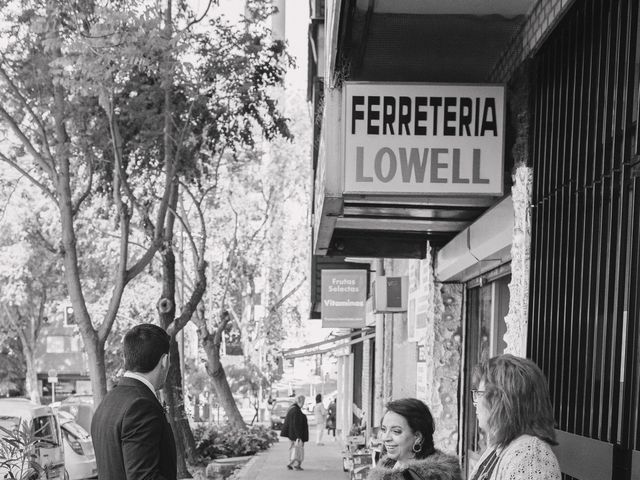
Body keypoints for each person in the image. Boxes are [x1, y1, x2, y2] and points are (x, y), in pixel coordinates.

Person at [91, 323, 176, 480]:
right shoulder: (142, 406)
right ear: (164, 361)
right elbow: (143, 477)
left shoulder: (109, 400)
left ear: (126, 358)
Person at [469, 354, 561, 480]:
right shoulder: (500, 447)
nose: (475, 403)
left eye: (479, 394)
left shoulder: (530, 457)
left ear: (501, 400)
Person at [367, 398, 462, 480]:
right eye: (384, 430)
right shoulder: (388, 464)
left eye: (396, 431)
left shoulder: (421, 476)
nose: (385, 438)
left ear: (417, 437)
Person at [280, 394, 309, 471]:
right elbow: (296, 424)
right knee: (297, 450)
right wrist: (299, 436)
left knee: (294, 449)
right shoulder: (296, 410)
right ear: (300, 401)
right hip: (294, 435)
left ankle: (291, 464)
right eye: (303, 402)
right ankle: (295, 464)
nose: (303, 404)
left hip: (291, 434)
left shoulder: (292, 408)